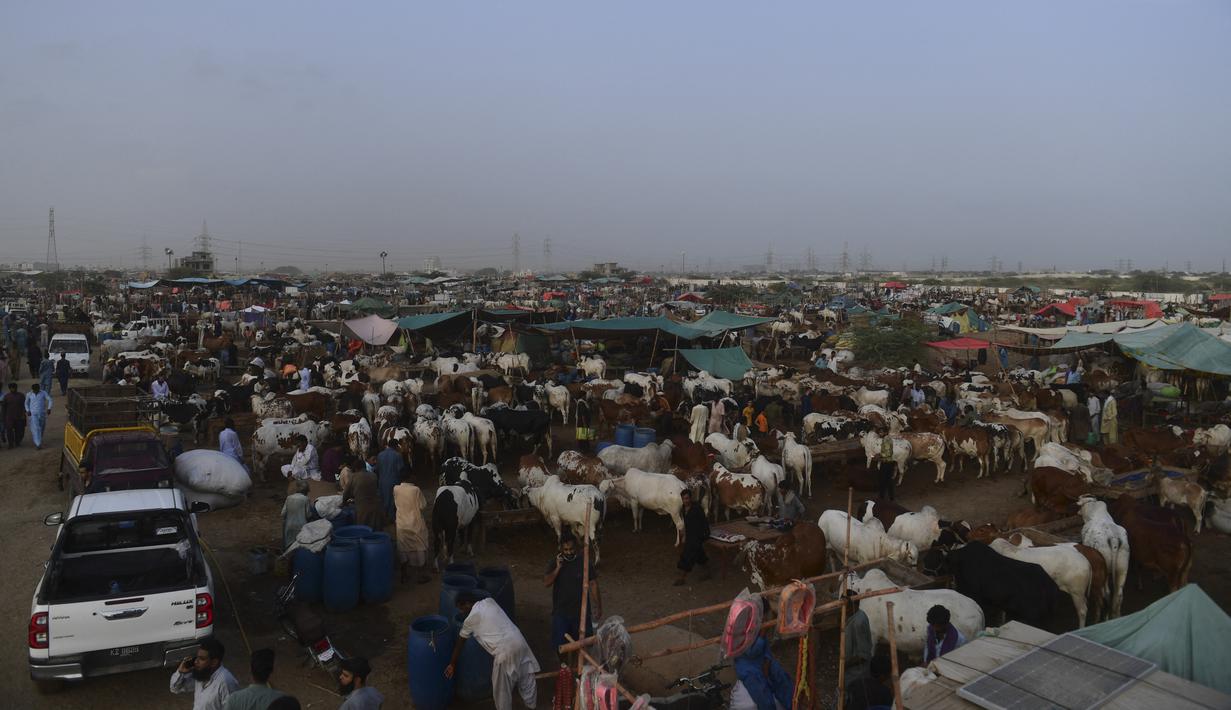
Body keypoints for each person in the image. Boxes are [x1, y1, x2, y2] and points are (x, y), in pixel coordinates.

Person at [447, 592, 540, 710]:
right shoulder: (490, 602)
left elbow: (460, 643)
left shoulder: (470, 619)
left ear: (467, 604)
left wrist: (452, 664)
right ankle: (531, 706)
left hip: (505, 652)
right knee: (526, 678)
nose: (462, 612)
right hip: (520, 641)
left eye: (461, 608)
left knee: (502, 691)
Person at [544, 534, 601, 659]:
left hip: (581, 612)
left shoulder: (585, 562)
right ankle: (564, 668)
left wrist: (598, 606)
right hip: (561, 612)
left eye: (571, 549)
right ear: (560, 549)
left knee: (583, 644)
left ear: (576, 548)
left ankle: (578, 670)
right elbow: (547, 582)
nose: (569, 553)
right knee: (560, 646)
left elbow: (593, 584)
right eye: (566, 550)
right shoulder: (555, 562)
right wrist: (558, 568)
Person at [730, 598, 793, 710]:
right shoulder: (740, 629)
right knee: (763, 696)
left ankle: (792, 705)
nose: (764, 618)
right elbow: (751, 653)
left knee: (783, 680)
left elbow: (766, 648)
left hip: (761, 660)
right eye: (763, 615)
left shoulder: (756, 624)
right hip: (748, 667)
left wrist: (768, 661)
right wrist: (763, 634)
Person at [170, 637, 240, 710]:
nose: (196, 662)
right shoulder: (201, 674)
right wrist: (180, 672)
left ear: (214, 662)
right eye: (196, 657)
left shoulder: (226, 682)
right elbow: (175, 688)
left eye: (202, 659)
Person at [393, 480, 431, 583]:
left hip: (401, 522)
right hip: (415, 523)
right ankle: (421, 575)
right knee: (420, 546)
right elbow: (422, 505)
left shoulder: (396, 488)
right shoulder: (415, 490)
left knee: (403, 546)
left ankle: (404, 574)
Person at [675, 489, 710, 586]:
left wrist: (704, 536)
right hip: (690, 534)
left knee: (687, 555)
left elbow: (704, 522)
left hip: (697, 535)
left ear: (690, 498)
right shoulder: (683, 508)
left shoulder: (697, 509)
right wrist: (685, 535)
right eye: (683, 499)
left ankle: (682, 577)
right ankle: (707, 572)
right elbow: (686, 523)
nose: (685, 501)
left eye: (687, 498)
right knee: (699, 555)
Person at [342, 455, 386, 529]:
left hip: (362, 508)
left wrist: (344, 503)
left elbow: (346, 493)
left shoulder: (353, 477)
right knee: (375, 527)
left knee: (363, 529)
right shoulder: (373, 475)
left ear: (356, 468)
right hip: (375, 506)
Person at [844, 591, 873, 687]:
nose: (843, 609)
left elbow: (863, 655)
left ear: (854, 605)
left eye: (846, 606)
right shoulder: (852, 615)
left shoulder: (858, 623)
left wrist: (844, 665)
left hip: (856, 675)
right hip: (850, 672)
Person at [375, 440, 405, 520]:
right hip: (394, 481)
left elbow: (377, 469)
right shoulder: (398, 455)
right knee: (393, 500)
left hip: (382, 481)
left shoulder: (380, 455)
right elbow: (400, 469)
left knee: (384, 499)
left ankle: (384, 517)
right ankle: (392, 518)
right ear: (396, 446)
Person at [282, 480, 311, 550]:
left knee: (289, 547)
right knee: (299, 547)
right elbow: (308, 515)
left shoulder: (289, 498)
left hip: (289, 526)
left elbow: (283, 513)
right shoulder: (306, 499)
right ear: (306, 491)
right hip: (301, 526)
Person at [25, 382, 52, 450]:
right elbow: (26, 403)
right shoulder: (29, 394)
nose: (36, 390)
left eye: (37, 389)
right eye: (35, 390)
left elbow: (50, 400)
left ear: (39, 388)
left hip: (42, 413)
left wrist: (49, 408)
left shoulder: (43, 393)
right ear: (32, 389)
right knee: (36, 428)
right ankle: (38, 444)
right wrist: (28, 410)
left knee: (41, 427)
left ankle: (39, 439)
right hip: (33, 414)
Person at [876, 428, 895, 501]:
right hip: (889, 463)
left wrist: (879, 455)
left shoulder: (886, 440)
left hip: (886, 463)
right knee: (889, 481)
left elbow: (888, 453)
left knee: (882, 480)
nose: (880, 434)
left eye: (881, 432)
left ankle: (881, 497)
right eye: (879, 432)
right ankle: (891, 497)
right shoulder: (888, 438)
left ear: (885, 432)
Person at [4, 382, 24, 447]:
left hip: (19, 416)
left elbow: (25, 405)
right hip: (9, 417)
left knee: (19, 431)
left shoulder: (21, 395)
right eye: (12, 388)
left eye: (14, 388)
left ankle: (17, 442)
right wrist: (3, 418)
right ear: (9, 389)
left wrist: (24, 415)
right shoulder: (6, 396)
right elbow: (4, 408)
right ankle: (11, 444)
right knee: (9, 431)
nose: (13, 389)